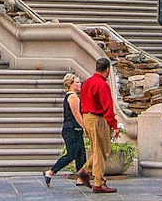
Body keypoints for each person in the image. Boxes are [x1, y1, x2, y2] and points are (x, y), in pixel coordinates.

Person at [79, 57, 120, 193]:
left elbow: (82, 102)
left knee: (101, 149)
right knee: (101, 151)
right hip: (97, 119)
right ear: (107, 70)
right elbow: (107, 107)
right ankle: (98, 182)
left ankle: (86, 170)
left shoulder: (87, 83)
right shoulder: (102, 85)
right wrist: (114, 125)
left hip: (87, 117)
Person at [44, 72, 88, 187]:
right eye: (77, 82)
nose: (80, 84)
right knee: (71, 154)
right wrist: (85, 127)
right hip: (72, 129)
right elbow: (76, 114)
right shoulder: (73, 97)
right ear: (70, 84)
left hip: (74, 129)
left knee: (81, 153)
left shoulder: (71, 96)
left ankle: (80, 178)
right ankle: (51, 171)